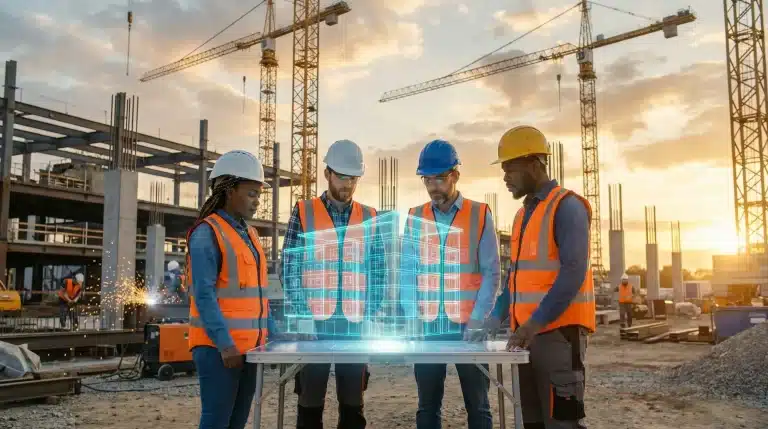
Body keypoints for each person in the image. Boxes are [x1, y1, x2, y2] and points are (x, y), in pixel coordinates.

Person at [490, 125, 595, 429]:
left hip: (557, 337)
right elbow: (516, 279)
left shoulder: (567, 207)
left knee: (561, 423)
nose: (505, 177)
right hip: (525, 338)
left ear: (535, 166)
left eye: (511, 169)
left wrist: (534, 324)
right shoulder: (524, 215)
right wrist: (492, 319)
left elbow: (573, 271)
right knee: (532, 422)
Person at [281, 139, 386, 429]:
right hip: (314, 324)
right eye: (342, 176)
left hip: (355, 325)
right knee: (310, 403)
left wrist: (371, 315)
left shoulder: (369, 216)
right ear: (327, 174)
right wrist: (303, 317)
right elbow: (289, 269)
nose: (348, 184)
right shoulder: (304, 212)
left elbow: (378, 272)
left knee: (353, 406)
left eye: (354, 178)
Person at [400, 139, 501, 429]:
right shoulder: (415, 216)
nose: (433, 186)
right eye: (427, 179)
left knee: (478, 406)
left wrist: (479, 319)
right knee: (427, 407)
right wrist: (412, 318)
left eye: (440, 178)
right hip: (429, 325)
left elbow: (491, 272)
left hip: (468, 326)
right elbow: (408, 273)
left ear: (455, 175)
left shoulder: (480, 214)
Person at [185, 149, 276, 429]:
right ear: (228, 190)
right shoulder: (207, 233)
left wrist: (275, 336)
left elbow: (258, 296)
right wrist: (225, 345)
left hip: (250, 349)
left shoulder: (250, 234)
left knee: (237, 422)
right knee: (216, 421)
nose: (257, 201)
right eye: (251, 193)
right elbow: (203, 295)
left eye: (259, 195)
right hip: (218, 350)